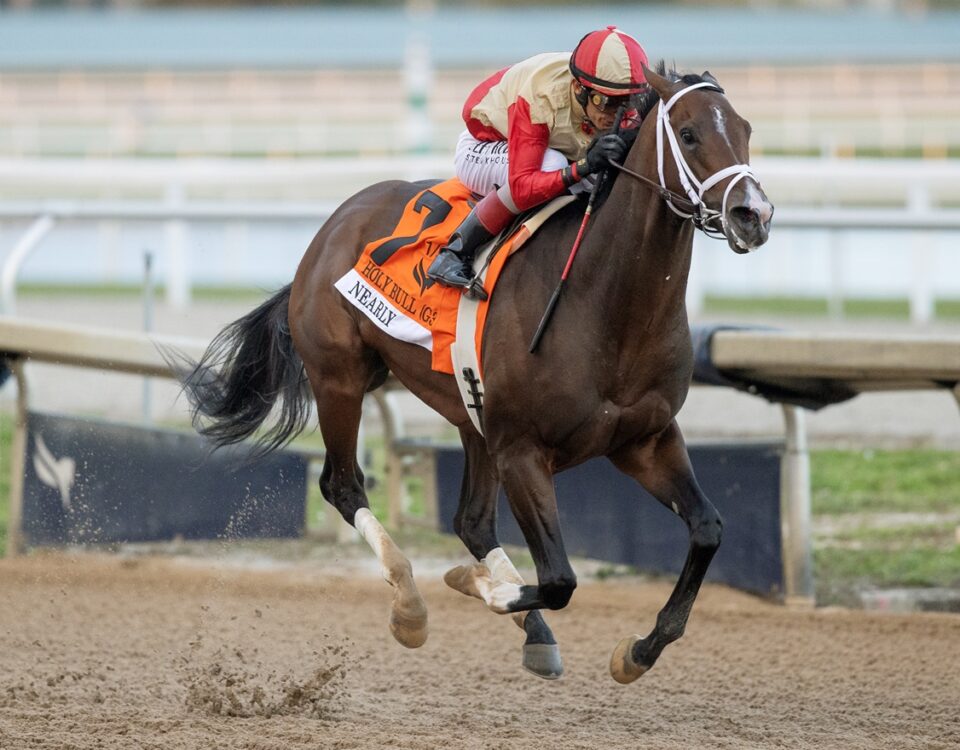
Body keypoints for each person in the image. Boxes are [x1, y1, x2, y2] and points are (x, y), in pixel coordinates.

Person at [427, 25, 650, 291]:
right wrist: (584, 165)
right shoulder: (541, 96)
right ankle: (456, 251)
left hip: (550, 147)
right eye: (606, 102)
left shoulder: (612, 97)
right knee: (554, 164)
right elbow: (522, 187)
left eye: (627, 102)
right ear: (580, 89)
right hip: (484, 146)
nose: (617, 113)